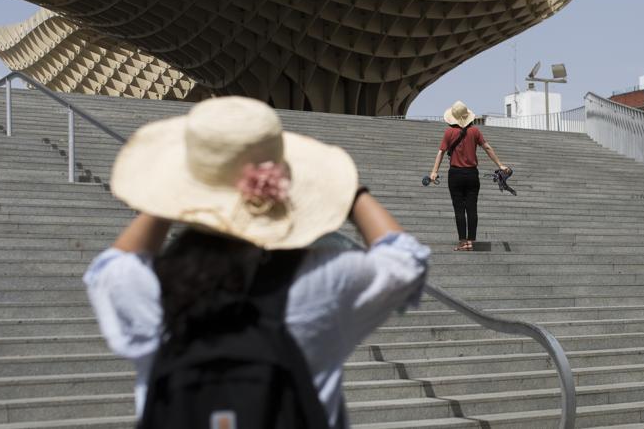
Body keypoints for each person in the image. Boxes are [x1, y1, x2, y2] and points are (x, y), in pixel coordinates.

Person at [83, 96, 429, 428]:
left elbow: (111, 266)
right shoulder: (325, 278)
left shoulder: (145, 288)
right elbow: (406, 259)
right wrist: (352, 194)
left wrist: (165, 200)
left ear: (182, 193)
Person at [428, 100, 508, 251]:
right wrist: (500, 165)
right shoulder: (475, 131)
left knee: (459, 209)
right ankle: (471, 241)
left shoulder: (449, 132)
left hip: (455, 174)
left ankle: (462, 241)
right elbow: (487, 147)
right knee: (472, 208)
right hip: (472, 174)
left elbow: (441, 152)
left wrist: (434, 172)